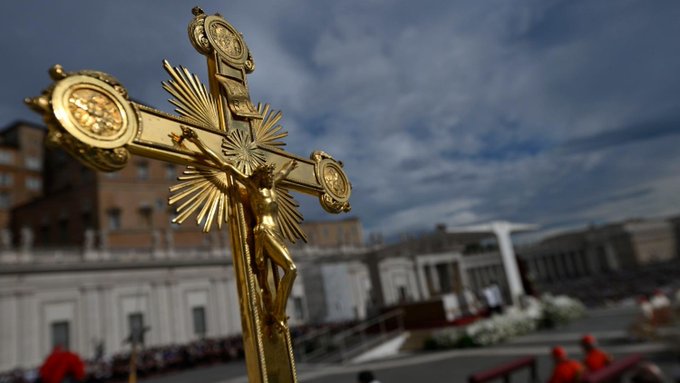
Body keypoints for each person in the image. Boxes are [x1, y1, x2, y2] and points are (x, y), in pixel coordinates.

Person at [181, 127, 298, 329]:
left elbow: (284, 172)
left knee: (282, 273)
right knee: (291, 269)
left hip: (276, 234)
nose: (271, 178)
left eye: (272, 175)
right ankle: (278, 313)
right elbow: (224, 165)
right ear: (260, 176)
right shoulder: (252, 188)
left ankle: (275, 311)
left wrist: (293, 165)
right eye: (268, 175)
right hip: (263, 233)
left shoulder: (271, 187)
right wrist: (197, 142)